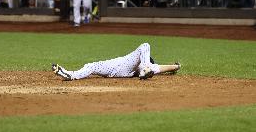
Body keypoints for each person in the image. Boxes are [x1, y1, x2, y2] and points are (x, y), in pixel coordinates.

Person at [52, 43, 181, 81]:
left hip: (116, 67)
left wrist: (176, 67)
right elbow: (163, 67)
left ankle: (72, 75)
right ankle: (70, 75)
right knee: (90, 66)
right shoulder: (150, 68)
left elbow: (157, 66)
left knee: (145, 45)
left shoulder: (144, 65)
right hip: (121, 72)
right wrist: (176, 67)